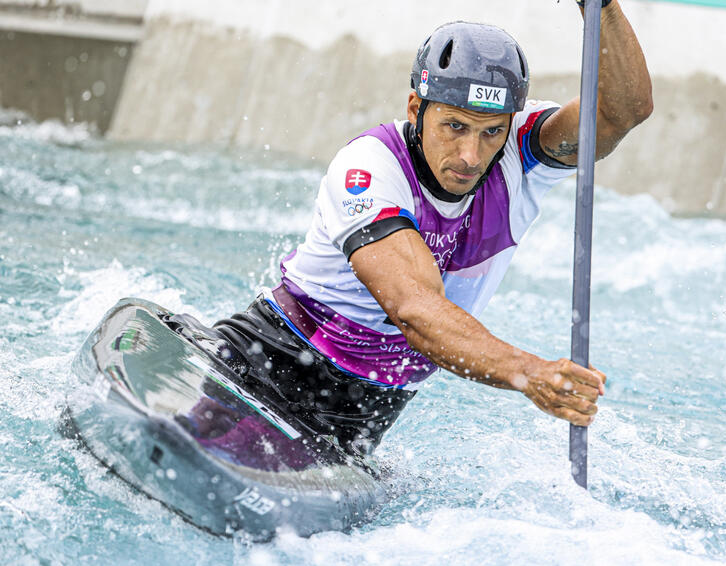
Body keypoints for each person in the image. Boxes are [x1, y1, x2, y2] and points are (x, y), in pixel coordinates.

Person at [209, 2, 653, 455]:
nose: (470, 156)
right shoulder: (369, 169)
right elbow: (414, 310)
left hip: (363, 416)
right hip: (264, 362)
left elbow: (621, 113)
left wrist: (603, 5)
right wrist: (530, 372)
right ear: (416, 107)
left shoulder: (523, 153)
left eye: (491, 132)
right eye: (454, 126)